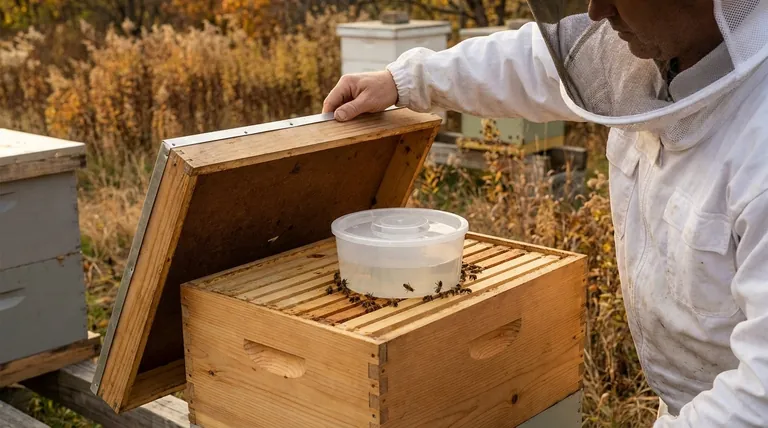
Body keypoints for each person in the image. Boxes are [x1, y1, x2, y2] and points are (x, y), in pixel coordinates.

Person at [322, 0, 768, 426]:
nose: (596, 11)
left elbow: (758, 397)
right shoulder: (656, 48)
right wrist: (404, 80)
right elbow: (536, 62)